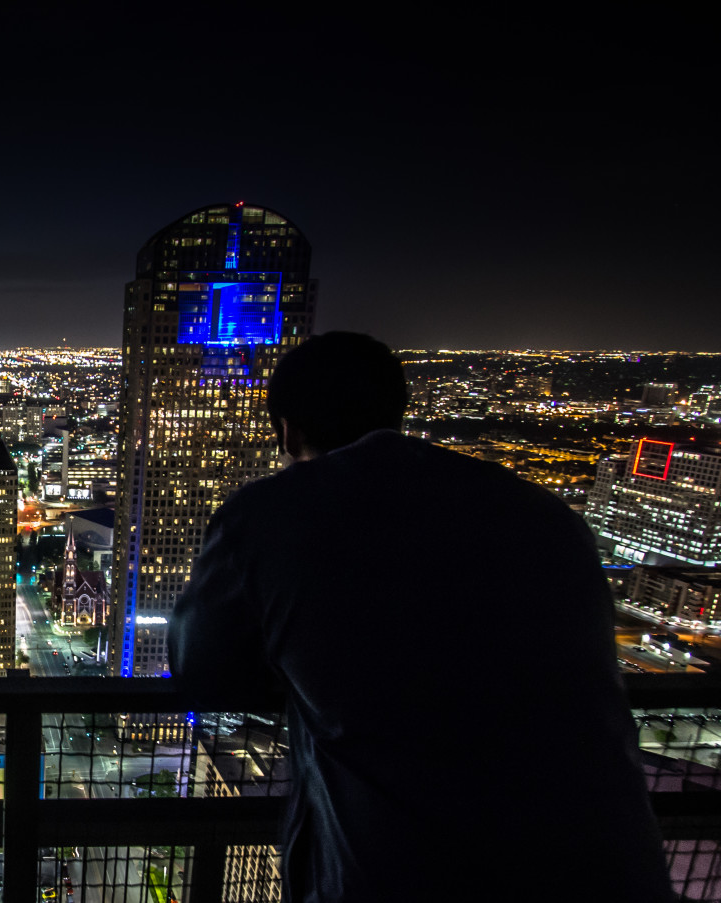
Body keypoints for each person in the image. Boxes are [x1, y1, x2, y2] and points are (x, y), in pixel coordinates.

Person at [167, 332, 672, 902]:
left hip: (404, 869)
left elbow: (203, 673)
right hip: (609, 870)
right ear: (398, 411)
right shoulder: (542, 513)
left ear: (287, 430)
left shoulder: (270, 514)